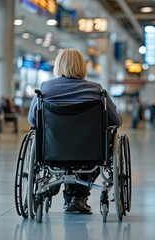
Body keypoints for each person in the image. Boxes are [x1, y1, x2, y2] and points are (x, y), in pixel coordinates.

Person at [28, 48, 122, 213]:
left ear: (58, 66)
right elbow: (115, 121)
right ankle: (78, 197)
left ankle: (57, 187)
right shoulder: (97, 90)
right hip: (90, 153)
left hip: (52, 151)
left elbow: (33, 120)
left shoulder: (45, 90)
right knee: (99, 151)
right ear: (83, 66)